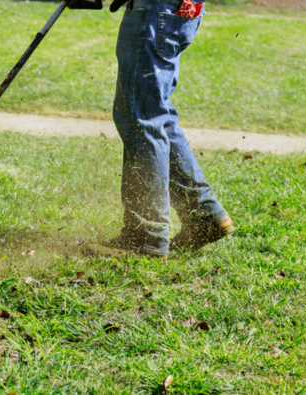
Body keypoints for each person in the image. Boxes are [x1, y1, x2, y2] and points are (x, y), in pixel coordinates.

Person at [107, 0, 234, 259]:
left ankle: (144, 238)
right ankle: (204, 215)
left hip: (156, 9)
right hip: (173, 10)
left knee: (141, 118)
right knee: (154, 114)